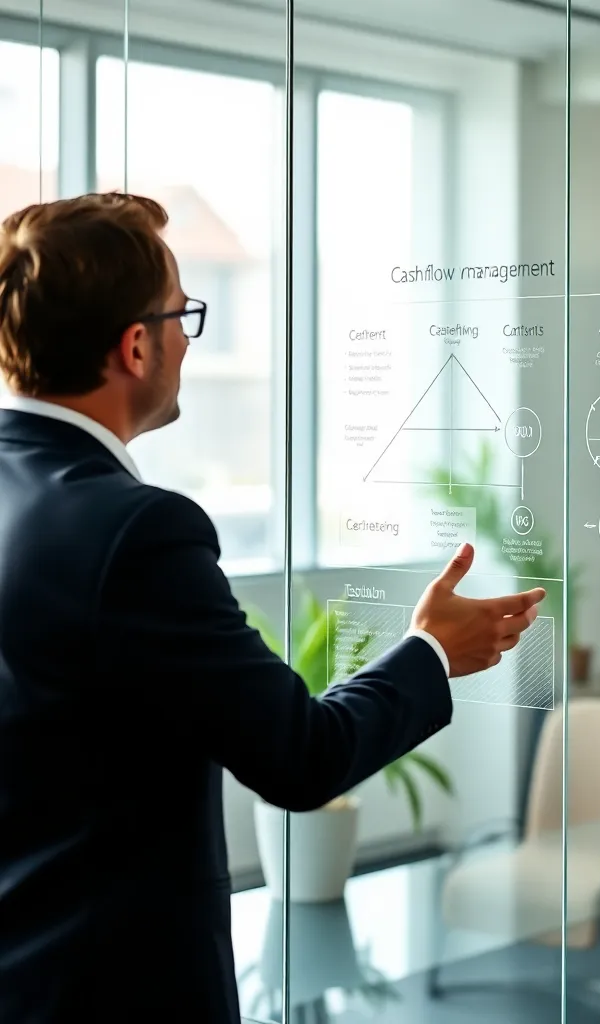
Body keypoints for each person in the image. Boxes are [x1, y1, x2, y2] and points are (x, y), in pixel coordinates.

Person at [0, 193, 545, 1022]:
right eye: (183, 314)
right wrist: (432, 651)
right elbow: (300, 757)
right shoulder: (136, 531)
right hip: (109, 991)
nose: (189, 338)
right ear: (137, 346)